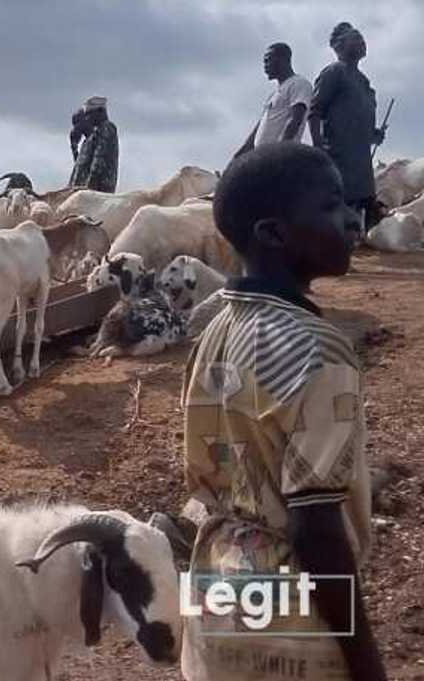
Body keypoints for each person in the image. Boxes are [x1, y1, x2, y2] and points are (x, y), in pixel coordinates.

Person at [180, 143, 385, 681]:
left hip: (215, 593)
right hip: (291, 615)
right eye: (332, 205)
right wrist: (367, 665)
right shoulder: (319, 350)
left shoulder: (216, 331)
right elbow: (316, 528)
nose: (351, 219)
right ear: (273, 234)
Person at [309, 22, 383, 229]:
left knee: (361, 212)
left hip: (360, 161)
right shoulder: (335, 73)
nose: (362, 42)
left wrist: (374, 135)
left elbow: (361, 123)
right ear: (339, 46)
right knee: (337, 208)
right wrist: (318, 147)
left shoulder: (363, 81)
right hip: (339, 157)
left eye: (363, 39)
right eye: (356, 38)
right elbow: (314, 111)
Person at [234, 43, 312, 157]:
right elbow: (255, 134)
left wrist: (279, 152)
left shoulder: (299, 83)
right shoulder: (273, 95)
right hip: (261, 158)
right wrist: (236, 159)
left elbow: (295, 120)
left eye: (268, 60)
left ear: (282, 59)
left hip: (279, 159)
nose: (265, 66)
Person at [68, 96, 118, 193]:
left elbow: (98, 161)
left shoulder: (107, 128)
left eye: (89, 115)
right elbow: (81, 168)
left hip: (98, 191)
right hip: (86, 192)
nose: (88, 119)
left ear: (100, 112)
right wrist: (74, 147)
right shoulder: (92, 137)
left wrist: (89, 189)